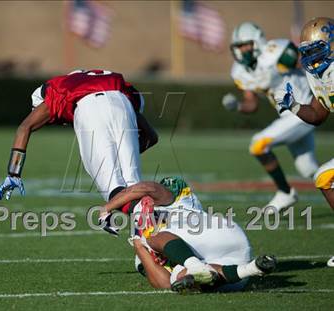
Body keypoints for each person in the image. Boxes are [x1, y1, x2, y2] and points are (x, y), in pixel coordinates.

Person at [0, 69, 158, 205]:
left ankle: (147, 229)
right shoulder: (106, 82)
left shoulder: (58, 90)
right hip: (123, 102)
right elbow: (151, 137)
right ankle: (158, 225)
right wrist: (129, 151)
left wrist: (13, 173)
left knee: (113, 189)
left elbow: (24, 128)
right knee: (134, 187)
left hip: (88, 107)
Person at [102, 177, 276, 292]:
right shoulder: (140, 240)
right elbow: (164, 284)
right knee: (180, 278)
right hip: (232, 274)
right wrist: (139, 247)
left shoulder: (172, 200)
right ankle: (253, 268)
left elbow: (147, 187)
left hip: (213, 232)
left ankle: (194, 265)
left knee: (153, 237)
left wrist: (106, 208)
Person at [222, 22, 319, 211]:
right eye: (238, 47)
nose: (241, 51)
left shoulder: (275, 52)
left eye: (245, 45)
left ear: (257, 42)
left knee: (258, 144)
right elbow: (252, 104)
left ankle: (285, 192)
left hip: (305, 108)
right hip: (289, 116)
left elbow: (309, 65)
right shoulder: (240, 71)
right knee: (308, 168)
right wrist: (238, 106)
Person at [274, 17, 333, 268]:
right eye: (307, 53)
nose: (312, 59)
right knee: (323, 177)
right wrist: (294, 105)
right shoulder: (319, 76)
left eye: (317, 51)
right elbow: (319, 114)